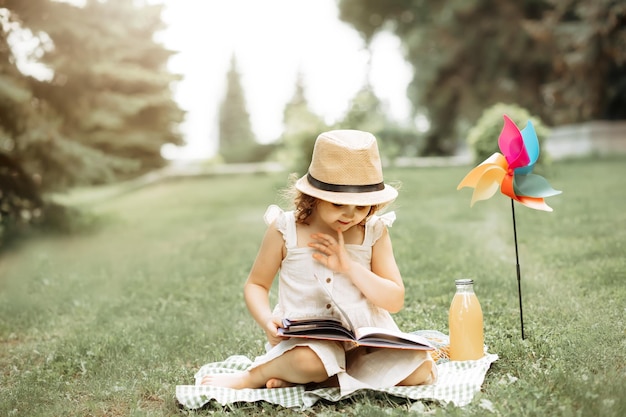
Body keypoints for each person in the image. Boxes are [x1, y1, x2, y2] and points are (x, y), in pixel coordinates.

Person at [201, 129, 437, 393]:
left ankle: (317, 380)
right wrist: (267, 319)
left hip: (365, 344)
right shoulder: (285, 229)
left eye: (361, 207)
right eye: (338, 204)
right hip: (309, 346)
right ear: (314, 195)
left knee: (421, 370)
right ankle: (253, 377)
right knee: (310, 362)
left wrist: (349, 266)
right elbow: (256, 284)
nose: (350, 215)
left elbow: (394, 299)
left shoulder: (374, 232)